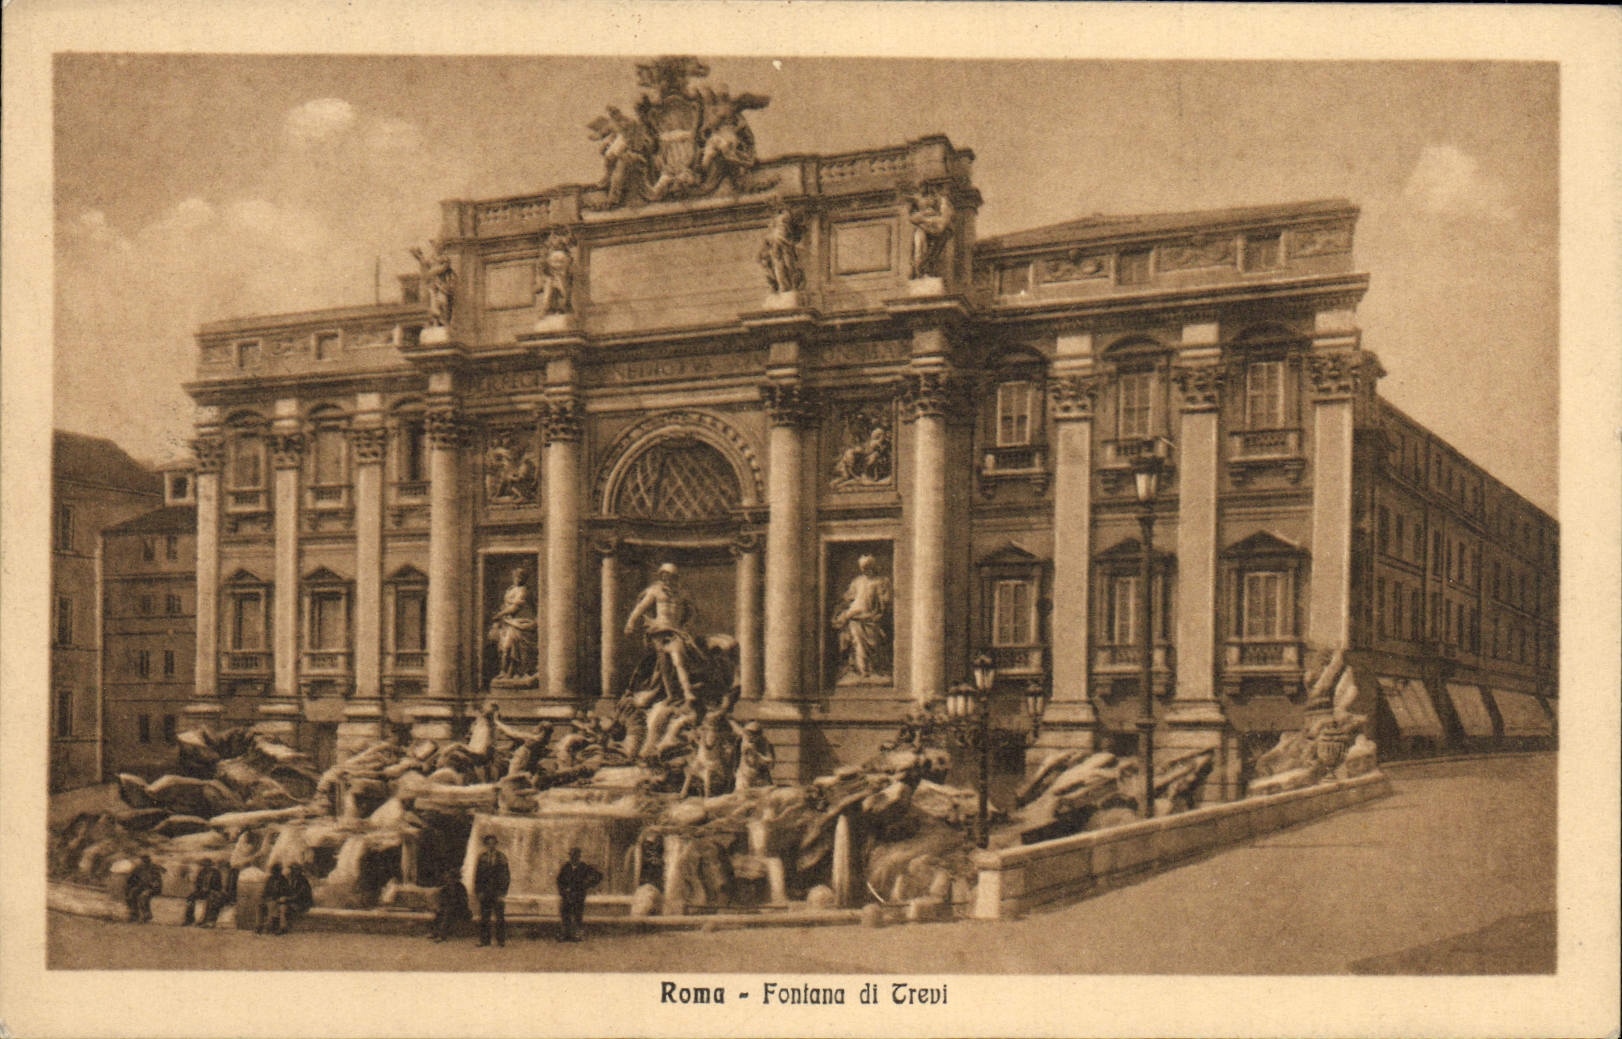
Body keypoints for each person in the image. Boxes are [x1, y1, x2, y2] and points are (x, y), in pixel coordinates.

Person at [624, 563, 703, 705]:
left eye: (671, 576)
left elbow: (693, 612)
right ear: (661, 576)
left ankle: (686, 691)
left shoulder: (682, 593)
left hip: (676, 631)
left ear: (675, 577)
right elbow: (640, 608)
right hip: (659, 631)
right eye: (664, 576)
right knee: (664, 663)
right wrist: (630, 623)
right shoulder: (655, 591)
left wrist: (687, 625)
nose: (667, 579)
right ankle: (673, 694)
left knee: (679, 656)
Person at [832, 555, 894, 680]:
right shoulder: (858, 581)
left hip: (872, 618)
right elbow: (848, 597)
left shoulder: (882, 581)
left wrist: (881, 606)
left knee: (874, 644)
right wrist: (840, 610)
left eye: (868, 567)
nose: (866, 570)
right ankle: (862, 671)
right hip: (855, 616)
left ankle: (874, 670)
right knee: (857, 643)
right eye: (863, 568)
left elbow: (887, 600)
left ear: (873, 566)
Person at [487, 569, 538, 680]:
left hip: (520, 623)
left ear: (525, 579)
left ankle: (515, 672)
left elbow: (515, 608)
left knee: (512, 649)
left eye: (520, 577)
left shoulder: (524, 591)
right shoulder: (511, 589)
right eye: (516, 577)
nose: (517, 579)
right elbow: (507, 605)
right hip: (509, 623)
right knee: (504, 649)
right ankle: (504, 672)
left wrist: (499, 614)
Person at [555, 847, 603, 942]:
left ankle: (576, 935)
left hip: (578, 895)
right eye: (571, 855)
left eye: (575, 855)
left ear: (579, 856)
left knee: (577, 915)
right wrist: (563, 891)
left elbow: (599, 876)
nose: (573, 858)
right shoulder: (566, 867)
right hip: (567, 895)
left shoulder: (584, 867)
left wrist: (588, 885)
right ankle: (566, 934)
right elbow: (559, 880)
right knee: (565, 914)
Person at [473, 834, 510, 947]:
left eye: (493, 843)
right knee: (485, 917)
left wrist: (503, 892)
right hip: (485, 891)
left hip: (497, 891)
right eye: (489, 843)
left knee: (500, 916)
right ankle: (485, 940)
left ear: (496, 844)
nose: (491, 845)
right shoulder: (482, 857)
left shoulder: (501, 857)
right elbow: (478, 876)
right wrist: (478, 891)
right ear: (486, 844)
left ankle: (501, 940)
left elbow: (506, 876)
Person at [429, 867, 471, 942]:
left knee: (448, 912)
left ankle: (442, 935)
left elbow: (464, 902)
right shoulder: (445, 888)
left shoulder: (461, 888)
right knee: (440, 912)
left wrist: (453, 904)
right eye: (449, 878)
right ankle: (435, 932)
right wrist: (440, 906)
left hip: (460, 910)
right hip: (449, 908)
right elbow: (442, 899)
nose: (449, 880)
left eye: (451, 878)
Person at [182, 858, 226, 927]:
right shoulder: (202, 872)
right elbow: (198, 884)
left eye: (207, 866)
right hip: (203, 891)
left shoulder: (215, 872)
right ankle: (189, 919)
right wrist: (200, 889)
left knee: (212, 898)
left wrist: (210, 890)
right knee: (190, 898)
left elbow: (218, 886)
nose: (205, 867)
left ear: (210, 866)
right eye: (204, 865)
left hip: (213, 891)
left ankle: (209, 921)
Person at [124, 854, 165, 923]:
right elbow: (132, 878)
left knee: (143, 896)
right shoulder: (139, 868)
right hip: (143, 887)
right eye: (143, 860)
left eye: (146, 860)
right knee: (132, 893)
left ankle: (147, 915)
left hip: (153, 888)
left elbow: (158, 879)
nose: (144, 862)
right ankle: (134, 914)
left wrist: (152, 885)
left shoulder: (153, 868)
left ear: (149, 861)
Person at [256, 863, 291, 935]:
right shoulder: (270, 879)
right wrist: (263, 897)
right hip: (269, 899)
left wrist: (276, 898)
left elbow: (285, 892)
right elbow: (265, 890)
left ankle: (269, 926)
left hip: (278, 900)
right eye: (274, 871)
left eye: (277, 871)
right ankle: (259, 926)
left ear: (279, 871)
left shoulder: (283, 880)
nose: (275, 873)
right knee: (259, 905)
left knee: (272, 905)